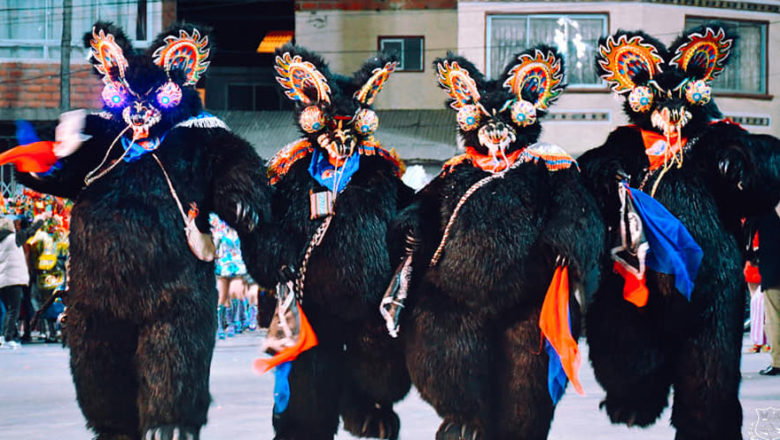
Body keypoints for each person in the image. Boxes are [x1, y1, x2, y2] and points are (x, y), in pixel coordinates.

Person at [0, 216, 31, 349]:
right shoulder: (14, 239)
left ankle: (5, 336)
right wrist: (42, 219)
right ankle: (8, 337)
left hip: (3, 280)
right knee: (14, 310)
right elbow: (30, 232)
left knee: (8, 310)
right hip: (14, 279)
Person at [759, 209, 780, 375]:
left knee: (774, 316)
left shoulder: (765, 202)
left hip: (773, 267)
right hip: (772, 266)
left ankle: (778, 360)